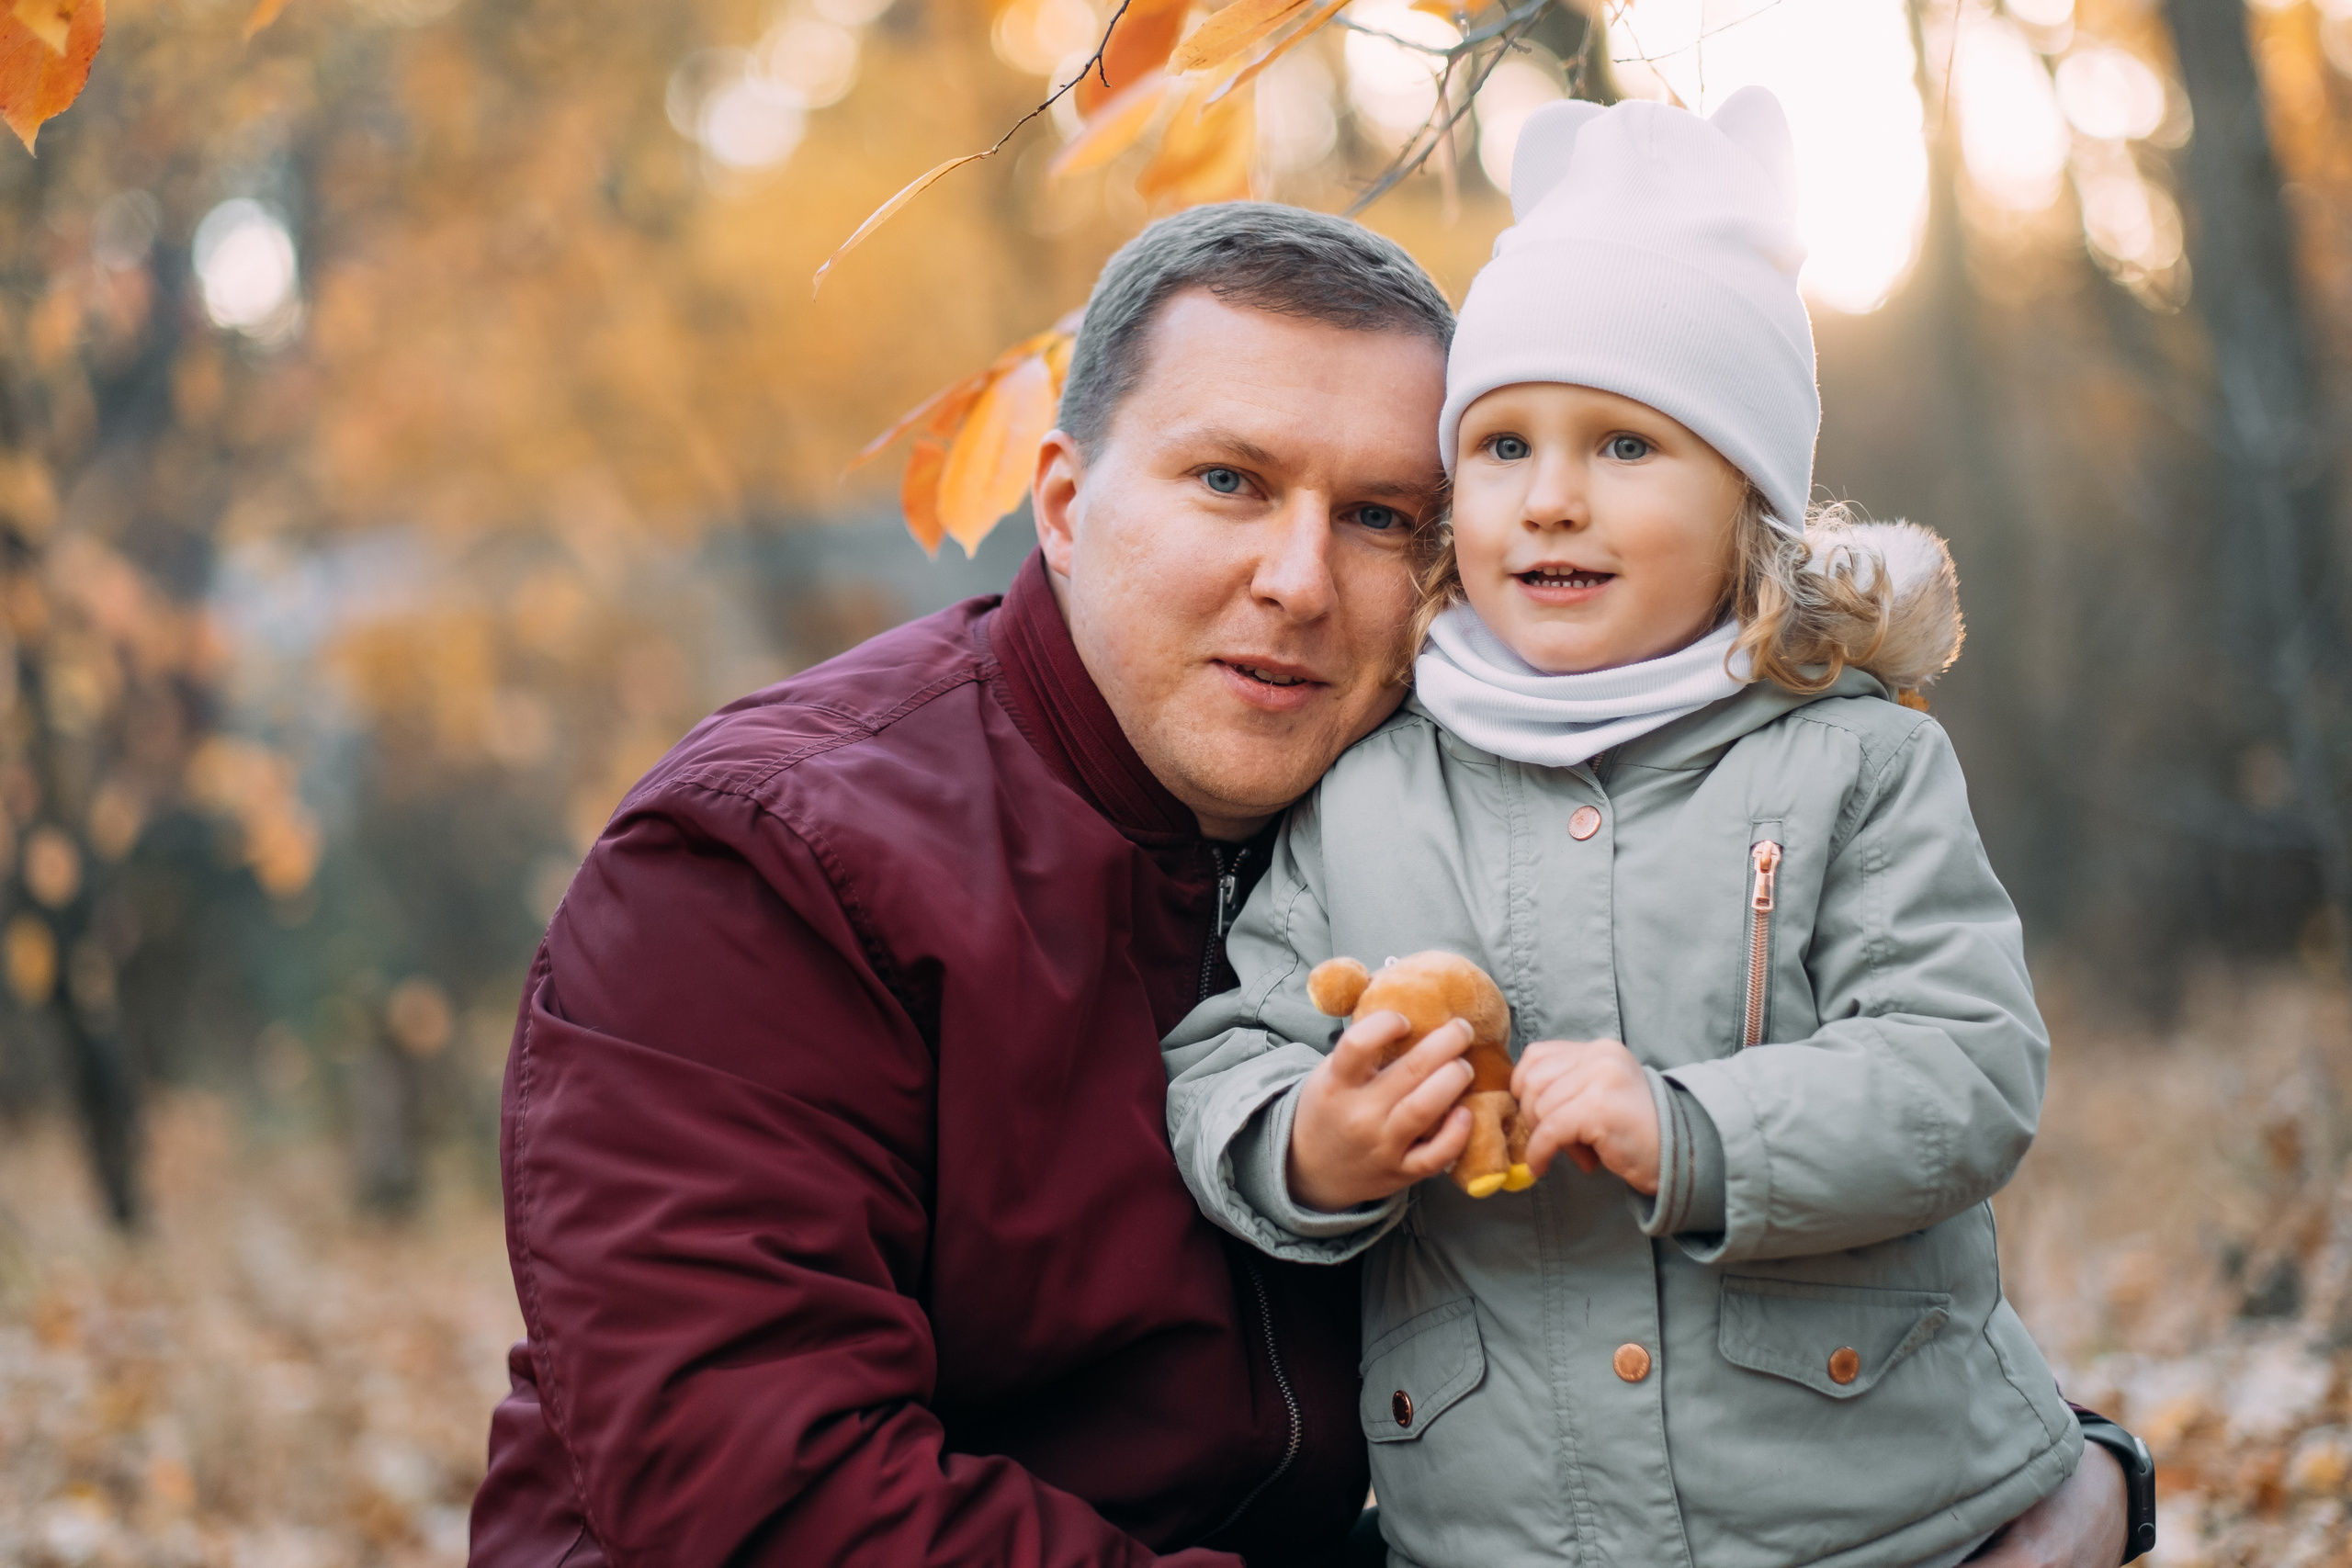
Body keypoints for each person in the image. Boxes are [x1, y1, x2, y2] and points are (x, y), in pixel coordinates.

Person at [466, 198, 2140, 1564]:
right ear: (1061, 502)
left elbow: (1872, 1123)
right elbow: (768, 1508)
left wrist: (2055, 1486)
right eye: (1229, 483)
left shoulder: (1421, 789)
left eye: (1380, 516)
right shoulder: (768, 865)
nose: (1297, 581)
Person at [1164, 95, 2132, 1568]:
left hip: (1873, 1511)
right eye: (1500, 446)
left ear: (1745, 500)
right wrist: (1313, 1140)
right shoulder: (1371, 788)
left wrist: (1697, 1129)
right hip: (1506, 1533)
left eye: (1623, 444)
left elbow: (1961, 1065)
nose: (1550, 499)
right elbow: (1226, 1044)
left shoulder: (1852, 764)